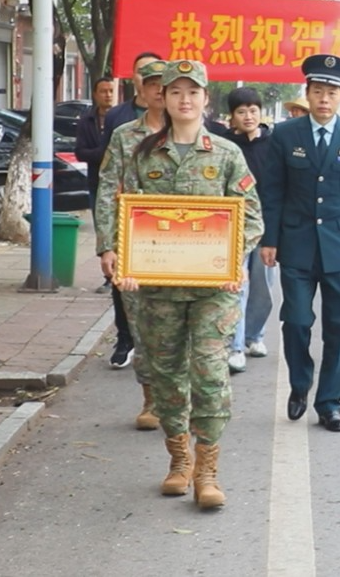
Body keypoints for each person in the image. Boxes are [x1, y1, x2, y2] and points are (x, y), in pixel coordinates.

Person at [106, 60, 261, 510]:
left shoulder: (228, 154)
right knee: (168, 374)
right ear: (164, 98)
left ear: (205, 99)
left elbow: (251, 216)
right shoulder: (142, 154)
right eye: (175, 92)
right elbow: (122, 211)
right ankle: (179, 460)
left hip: (214, 288)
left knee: (210, 374)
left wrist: (236, 259)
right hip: (157, 289)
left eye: (193, 92)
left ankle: (208, 471)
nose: (185, 99)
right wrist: (125, 258)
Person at [257, 54, 340, 432]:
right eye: (318, 91)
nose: (324, 99)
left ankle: (330, 404)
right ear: (307, 94)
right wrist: (269, 238)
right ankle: (299, 385)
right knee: (296, 321)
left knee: (337, 326)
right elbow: (272, 191)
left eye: (331, 92)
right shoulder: (284, 135)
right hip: (295, 243)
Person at [96, 59, 167, 419]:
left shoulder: (195, 134)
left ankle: (178, 402)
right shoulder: (125, 136)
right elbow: (108, 190)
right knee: (143, 328)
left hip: (186, 250)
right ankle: (152, 399)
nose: (158, 89)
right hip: (136, 249)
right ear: (140, 88)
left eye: (164, 83)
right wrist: (106, 245)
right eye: (151, 83)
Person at [224, 86, 276, 371]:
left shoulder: (274, 143)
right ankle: (235, 345)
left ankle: (255, 335)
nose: (248, 116)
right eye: (241, 111)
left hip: (266, 225)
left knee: (263, 286)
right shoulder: (224, 145)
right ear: (232, 116)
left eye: (253, 110)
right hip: (234, 226)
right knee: (237, 286)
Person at [76, 77, 118, 294]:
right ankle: (108, 276)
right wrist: (100, 154)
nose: (108, 95)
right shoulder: (87, 121)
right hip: (97, 182)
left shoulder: (121, 118)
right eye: (103, 91)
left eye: (111, 91)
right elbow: (80, 151)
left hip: (121, 185)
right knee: (103, 229)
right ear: (95, 94)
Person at [104, 50, 164, 138]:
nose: (145, 77)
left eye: (153, 74)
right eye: (141, 72)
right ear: (133, 77)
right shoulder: (115, 115)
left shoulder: (176, 116)